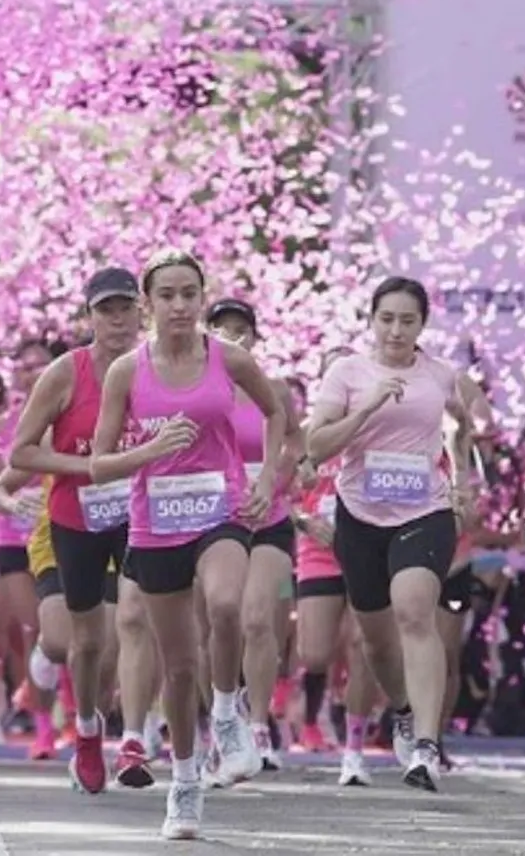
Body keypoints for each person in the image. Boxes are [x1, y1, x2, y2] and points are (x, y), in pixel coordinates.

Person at [88, 249, 285, 840]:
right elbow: (98, 464)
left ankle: (227, 714)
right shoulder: (127, 371)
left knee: (226, 605)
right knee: (176, 667)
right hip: (155, 523)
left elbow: (277, 414)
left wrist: (267, 479)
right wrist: (149, 451)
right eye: (167, 295)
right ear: (148, 305)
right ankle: (184, 779)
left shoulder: (229, 358)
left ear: (202, 299)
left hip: (220, 508)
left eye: (189, 294)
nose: (179, 305)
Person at [303, 276, 478, 792]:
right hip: (359, 516)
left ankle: (425, 744)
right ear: (371, 321)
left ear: (422, 324)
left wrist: (462, 480)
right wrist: (366, 409)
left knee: (414, 609)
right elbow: (315, 447)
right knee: (376, 643)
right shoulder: (347, 372)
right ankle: (402, 710)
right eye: (387, 319)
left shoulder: (441, 375)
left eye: (408, 320)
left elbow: (462, 425)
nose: (396, 330)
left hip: (423, 512)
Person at [8, 266, 152, 793]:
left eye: (125, 308)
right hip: (78, 516)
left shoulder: (160, 368)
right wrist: (89, 467)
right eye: (105, 310)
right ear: (89, 317)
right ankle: (87, 730)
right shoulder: (66, 373)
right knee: (87, 643)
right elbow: (21, 452)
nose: (117, 320)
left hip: (141, 516)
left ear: (143, 311)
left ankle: (134, 739)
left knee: (137, 619)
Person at [205, 298, 305, 776]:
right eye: (223, 330)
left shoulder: (275, 391)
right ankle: (221, 720)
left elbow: (297, 441)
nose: (234, 338)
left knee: (261, 618)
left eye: (242, 331)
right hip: (214, 518)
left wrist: (275, 479)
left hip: (270, 517)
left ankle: (260, 723)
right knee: (219, 620)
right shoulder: (198, 391)